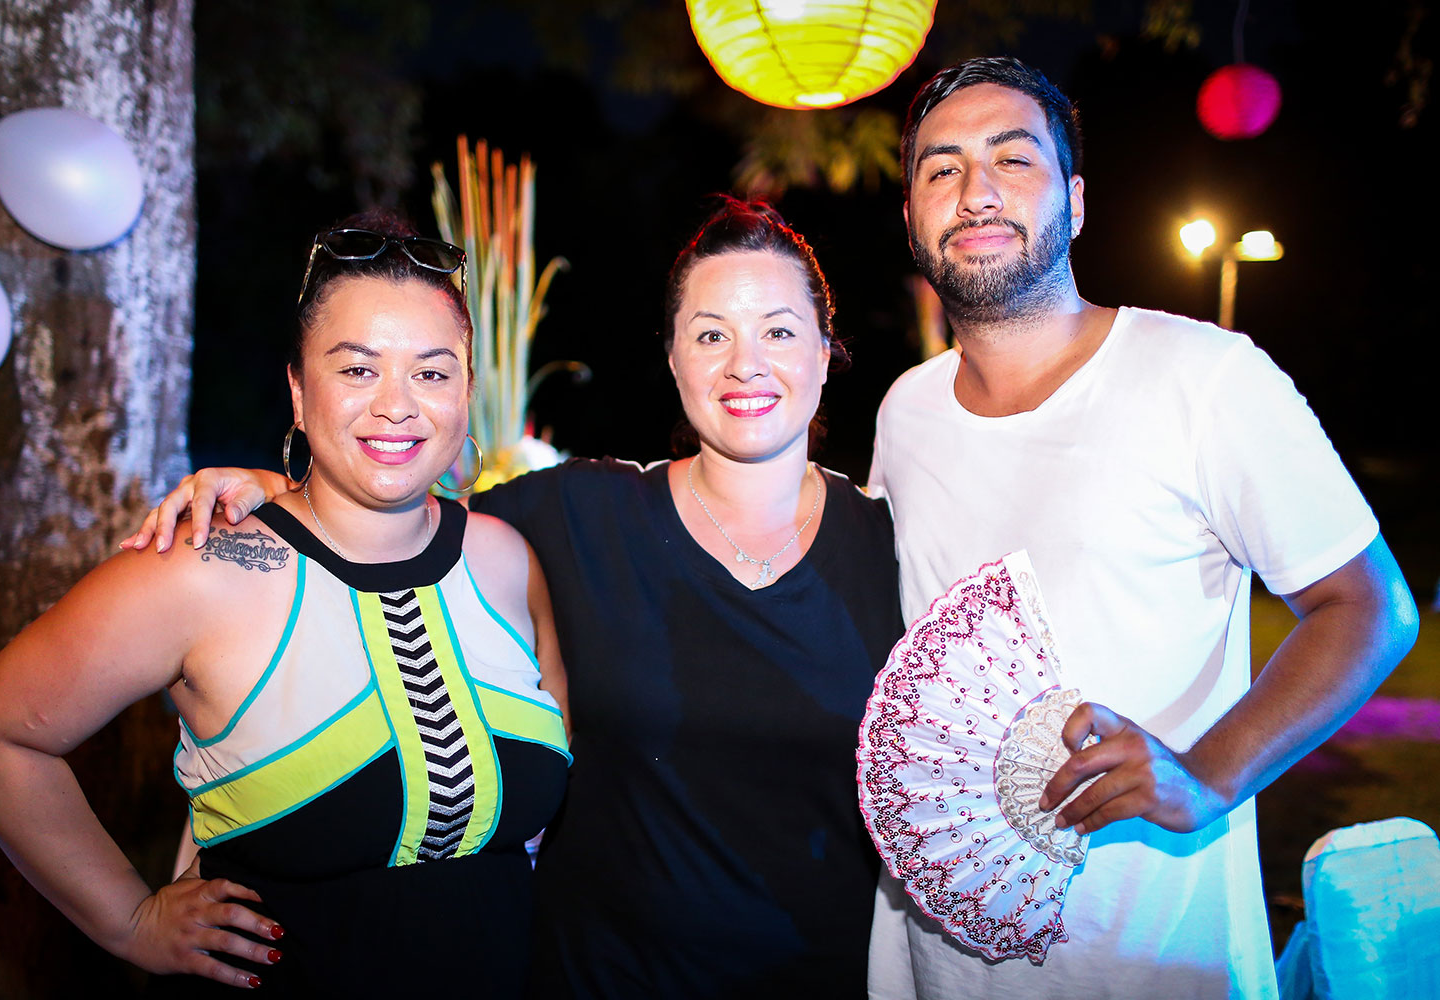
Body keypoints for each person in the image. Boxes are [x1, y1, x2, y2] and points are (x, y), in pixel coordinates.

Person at [124, 199, 904, 998]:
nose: (745, 364)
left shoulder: (896, 548)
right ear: (673, 358)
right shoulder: (576, 514)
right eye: (711, 335)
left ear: (825, 351)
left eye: (779, 331)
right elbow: (388, 509)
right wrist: (276, 492)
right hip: (590, 980)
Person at [866, 56, 1420, 998]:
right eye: (942, 169)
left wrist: (1209, 777)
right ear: (913, 217)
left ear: (1076, 202)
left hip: (1154, 956)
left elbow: (1370, 609)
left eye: (1013, 159)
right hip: (936, 960)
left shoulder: (1205, 376)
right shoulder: (904, 412)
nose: (977, 191)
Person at [0, 211, 571, 995]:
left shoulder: (506, 560)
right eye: (358, 369)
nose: (397, 405)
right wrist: (129, 921)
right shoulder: (201, 568)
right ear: (299, 392)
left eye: (433, 373)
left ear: (467, 390)